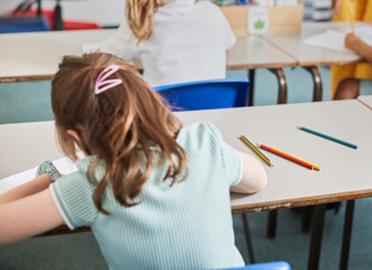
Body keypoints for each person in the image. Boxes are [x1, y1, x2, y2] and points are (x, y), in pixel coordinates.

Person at [0, 52, 268, 269]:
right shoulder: (204, 143)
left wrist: (51, 177)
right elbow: (258, 179)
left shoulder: (92, 182)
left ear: (75, 135)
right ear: (148, 100)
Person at [99, 0, 236, 86]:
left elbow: (99, 57)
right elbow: (226, 50)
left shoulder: (143, 22)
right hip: (213, 113)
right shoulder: (213, 12)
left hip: (162, 119)